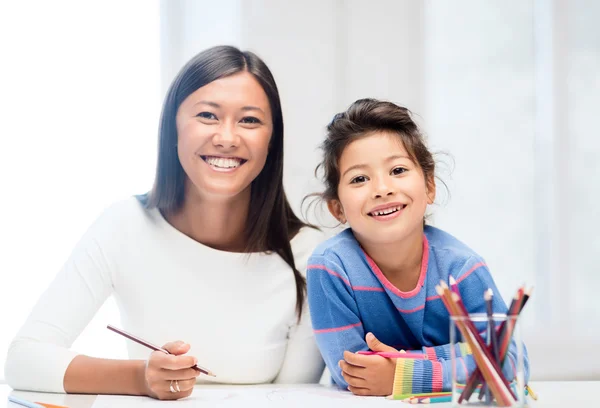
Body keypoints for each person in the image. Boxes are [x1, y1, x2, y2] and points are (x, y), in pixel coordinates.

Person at [5, 45, 325, 400]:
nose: (227, 137)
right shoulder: (124, 225)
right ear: (173, 126)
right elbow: (23, 359)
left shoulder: (310, 256)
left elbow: (298, 398)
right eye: (207, 115)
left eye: (249, 120)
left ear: (271, 139)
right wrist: (140, 378)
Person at [306, 98, 530, 396]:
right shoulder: (331, 267)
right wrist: (461, 355)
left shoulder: (462, 268)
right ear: (337, 208)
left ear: (429, 186)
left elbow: (510, 363)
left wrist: (404, 372)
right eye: (359, 178)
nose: (382, 189)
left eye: (397, 170)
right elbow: (355, 372)